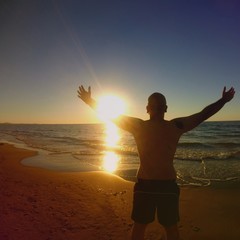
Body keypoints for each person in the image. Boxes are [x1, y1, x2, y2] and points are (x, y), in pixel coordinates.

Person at [77, 85, 235, 240]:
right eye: (159, 107)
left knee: (141, 226)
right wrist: (223, 101)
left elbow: (110, 115)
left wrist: (89, 101)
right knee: (168, 227)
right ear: (166, 108)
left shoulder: (139, 126)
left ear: (147, 108)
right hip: (164, 185)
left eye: (154, 106)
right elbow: (202, 115)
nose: (158, 109)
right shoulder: (175, 126)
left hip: (148, 185)